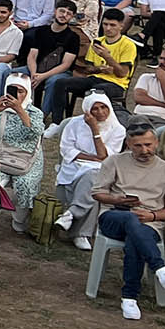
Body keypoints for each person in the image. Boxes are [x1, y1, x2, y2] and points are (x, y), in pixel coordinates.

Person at [88, 123, 165, 319]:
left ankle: (129, 298)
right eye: (138, 146)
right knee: (131, 218)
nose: (144, 150)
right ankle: (159, 267)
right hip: (114, 215)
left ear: (156, 142)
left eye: (148, 144)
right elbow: (97, 193)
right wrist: (118, 200)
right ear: (129, 144)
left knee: (135, 239)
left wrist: (153, 216)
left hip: (149, 221)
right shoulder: (114, 162)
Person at [52, 91, 125, 251]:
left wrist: (94, 129)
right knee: (93, 188)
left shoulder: (118, 129)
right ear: (87, 111)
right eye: (95, 109)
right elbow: (67, 148)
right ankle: (81, 234)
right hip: (74, 166)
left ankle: (72, 214)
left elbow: (104, 157)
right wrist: (91, 158)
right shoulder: (74, 123)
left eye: (104, 107)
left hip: (100, 169)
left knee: (93, 177)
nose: (100, 112)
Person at [0, 77, 48, 234]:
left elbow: (36, 132)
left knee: (25, 184)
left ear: (28, 93)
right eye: (12, 89)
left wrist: (19, 110)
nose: (17, 94)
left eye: (21, 91)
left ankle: (19, 219)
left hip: (26, 158)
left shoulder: (35, 113)